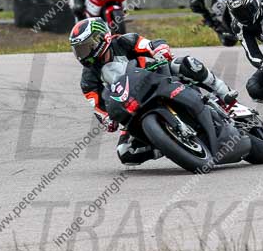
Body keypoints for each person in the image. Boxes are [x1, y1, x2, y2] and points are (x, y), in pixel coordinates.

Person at [69, 17, 239, 165]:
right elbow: (97, 106)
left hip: (157, 77)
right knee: (125, 152)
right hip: (131, 106)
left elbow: (150, 44)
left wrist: (160, 49)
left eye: (85, 48)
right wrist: (106, 119)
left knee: (184, 64)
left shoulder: (123, 42)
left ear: (100, 39)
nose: (82, 55)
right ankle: (168, 146)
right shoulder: (88, 80)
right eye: (78, 50)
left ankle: (222, 91)